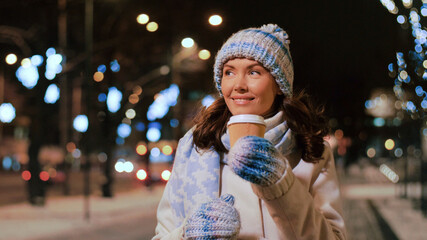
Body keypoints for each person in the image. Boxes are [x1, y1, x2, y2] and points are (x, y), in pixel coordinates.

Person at [153, 23, 347, 240]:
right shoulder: (196, 145)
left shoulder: (310, 149)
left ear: (279, 84)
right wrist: (188, 235)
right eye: (229, 72)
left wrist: (280, 183)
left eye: (254, 72)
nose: (239, 85)